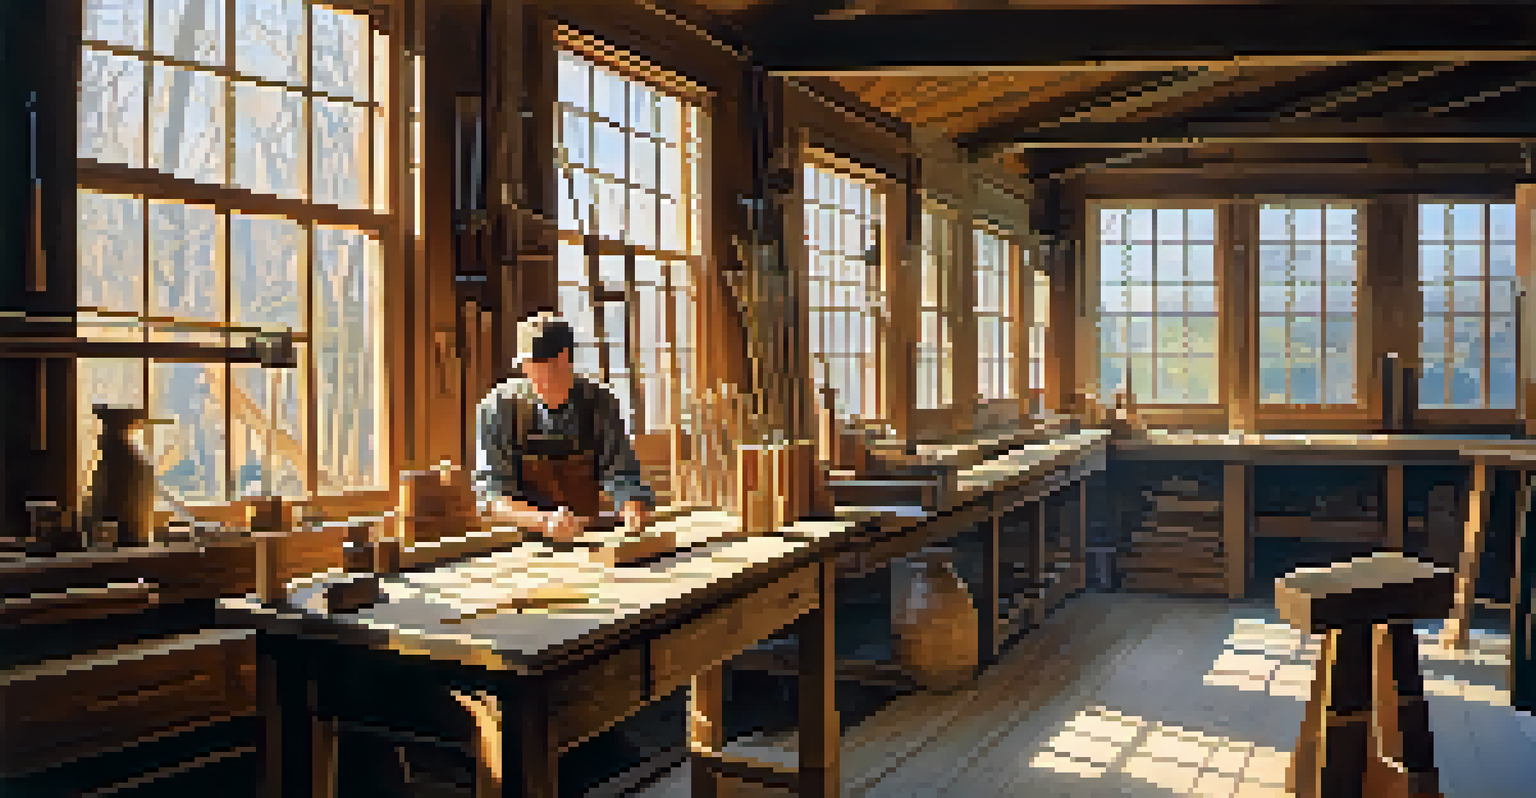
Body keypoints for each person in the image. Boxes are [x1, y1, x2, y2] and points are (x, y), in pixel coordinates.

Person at [472, 311, 655, 542]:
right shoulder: (499, 408)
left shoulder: (599, 404)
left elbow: (623, 475)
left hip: (587, 538)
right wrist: (544, 521)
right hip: (521, 542)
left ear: (566, 360)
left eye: (546, 365)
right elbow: (491, 497)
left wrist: (632, 508)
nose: (536, 375)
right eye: (529, 366)